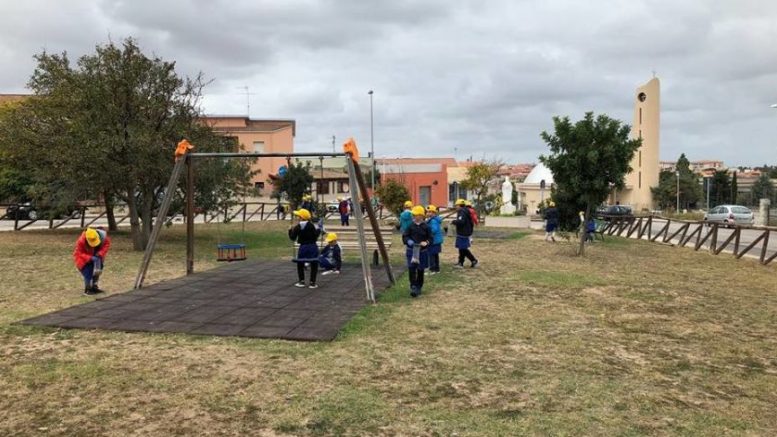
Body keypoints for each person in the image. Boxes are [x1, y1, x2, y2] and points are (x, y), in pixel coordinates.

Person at [288, 208, 321, 288]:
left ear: (301, 217)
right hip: (313, 246)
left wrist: (290, 230)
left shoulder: (298, 227)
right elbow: (316, 235)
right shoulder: (311, 225)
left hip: (303, 247)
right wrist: (319, 229)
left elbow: (293, 238)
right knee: (314, 263)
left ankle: (301, 281)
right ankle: (312, 283)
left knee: (300, 263)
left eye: (298, 216)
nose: (297, 217)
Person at [73, 227, 111, 295]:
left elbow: (106, 245)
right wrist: (90, 258)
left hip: (97, 257)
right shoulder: (81, 241)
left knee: (97, 271)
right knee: (88, 272)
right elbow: (79, 253)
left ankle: (94, 287)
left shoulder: (103, 237)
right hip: (83, 259)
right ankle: (88, 289)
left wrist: (100, 253)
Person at [403, 206, 431, 297]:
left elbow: (431, 238)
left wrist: (426, 242)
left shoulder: (426, 227)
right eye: (413, 215)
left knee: (420, 269)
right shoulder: (410, 226)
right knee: (411, 269)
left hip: (422, 252)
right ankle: (413, 286)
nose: (413, 216)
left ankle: (419, 286)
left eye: (415, 215)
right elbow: (405, 236)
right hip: (411, 251)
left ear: (421, 216)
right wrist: (408, 241)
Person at [451, 199, 478, 268]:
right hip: (466, 231)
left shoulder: (462, 212)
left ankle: (473, 260)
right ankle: (461, 262)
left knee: (463, 248)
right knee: (462, 248)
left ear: (459, 205)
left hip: (463, 233)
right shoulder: (466, 211)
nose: (455, 207)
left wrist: (454, 222)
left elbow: (461, 222)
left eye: (456, 205)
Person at [425, 204, 444, 275]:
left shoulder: (433, 221)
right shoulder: (434, 219)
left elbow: (434, 230)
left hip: (433, 241)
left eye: (429, 212)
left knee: (431, 255)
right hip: (436, 241)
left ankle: (432, 269)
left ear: (434, 213)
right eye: (427, 212)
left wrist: (427, 232)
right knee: (435, 255)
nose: (428, 213)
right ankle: (437, 269)